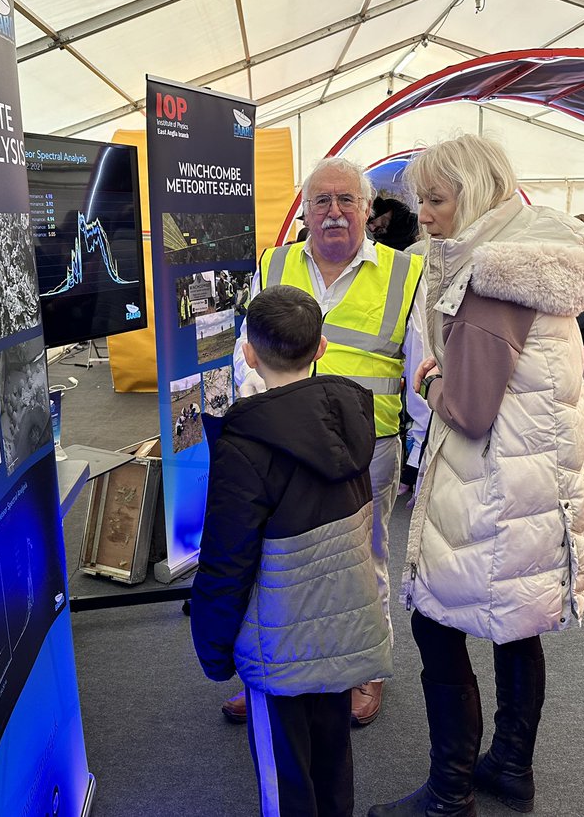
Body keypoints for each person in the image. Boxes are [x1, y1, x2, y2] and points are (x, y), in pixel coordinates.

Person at [370, 135, 584, 817]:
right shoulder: (544, 258)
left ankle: (449, 794)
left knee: (437, 627)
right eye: (421, 202)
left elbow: (470, 411)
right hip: (538, 485)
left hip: (492, 489)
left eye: (436, 200)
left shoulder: (491, 277)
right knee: (516, 626)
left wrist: (432, 378)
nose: (427, 216)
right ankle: (508, 767)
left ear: (473, 195)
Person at [225, 157, 428, 727]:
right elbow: (249, 349)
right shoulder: (276, 262)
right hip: (279, 445)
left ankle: (364, 672)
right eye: (321, 201)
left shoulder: (403, 274)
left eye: (347, 201)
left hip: (366, 449)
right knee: (276, 563)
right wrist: (253, 423)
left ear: (370, 210)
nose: (334, 213)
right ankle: (269, 670)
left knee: (367, 561)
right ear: (307, 209)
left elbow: (417, 369)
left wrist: (417, 454)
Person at [191, 285, 392, 817]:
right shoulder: (352, 417)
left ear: (249, 353)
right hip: (342, 629)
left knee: (285, 779)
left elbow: (225, 559)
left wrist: (213, 650)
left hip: (278, 641)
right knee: (333, 756)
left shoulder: (243, 444)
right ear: (322, 347)